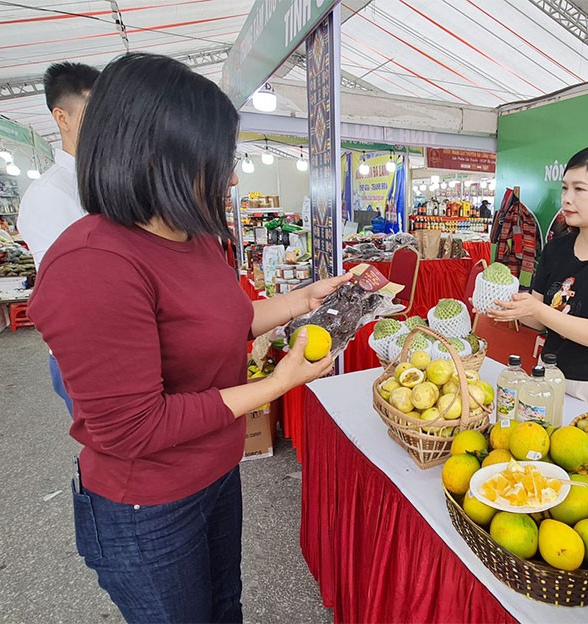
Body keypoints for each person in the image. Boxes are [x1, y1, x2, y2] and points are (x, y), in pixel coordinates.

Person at [28, 53, 351, 623]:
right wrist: (278, 383)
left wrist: (298, 302)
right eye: (220, 159)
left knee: (226, 608)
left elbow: (223, 321)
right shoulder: (91, 264)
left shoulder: (193, 235)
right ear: (161, 153)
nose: (230, 177)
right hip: (146, 504)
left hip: (214, 473)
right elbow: (135, 427)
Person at [486, 145, 588, 409]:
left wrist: (537, 309)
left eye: (579, 189)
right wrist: (510, 307)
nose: (567, 199)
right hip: (548, 373)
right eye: (565, 188)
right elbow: (537, 318)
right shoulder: (556, 249)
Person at [16, 61, 100, 416]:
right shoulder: (51, 194)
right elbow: (73, 291)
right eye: (92, 114)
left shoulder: (100, 181)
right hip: (88, 355)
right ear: (62, 118)